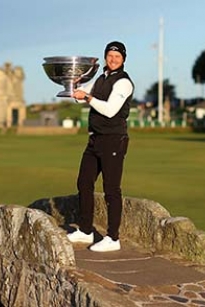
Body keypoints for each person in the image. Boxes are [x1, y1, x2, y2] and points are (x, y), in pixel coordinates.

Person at [67, 41, 134, 252]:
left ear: (123, 59)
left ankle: (113, 238)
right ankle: (86, 231)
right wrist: (74, 85)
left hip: (113, 140)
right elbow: (79, 97)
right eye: (110, 55)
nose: (113, 59)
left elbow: (110, 110)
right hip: (95, 139)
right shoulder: (101, 78)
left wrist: (87, 97)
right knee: (84, 183)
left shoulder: (124, 83)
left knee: (111, 190)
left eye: (117, 57)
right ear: (105, 57)